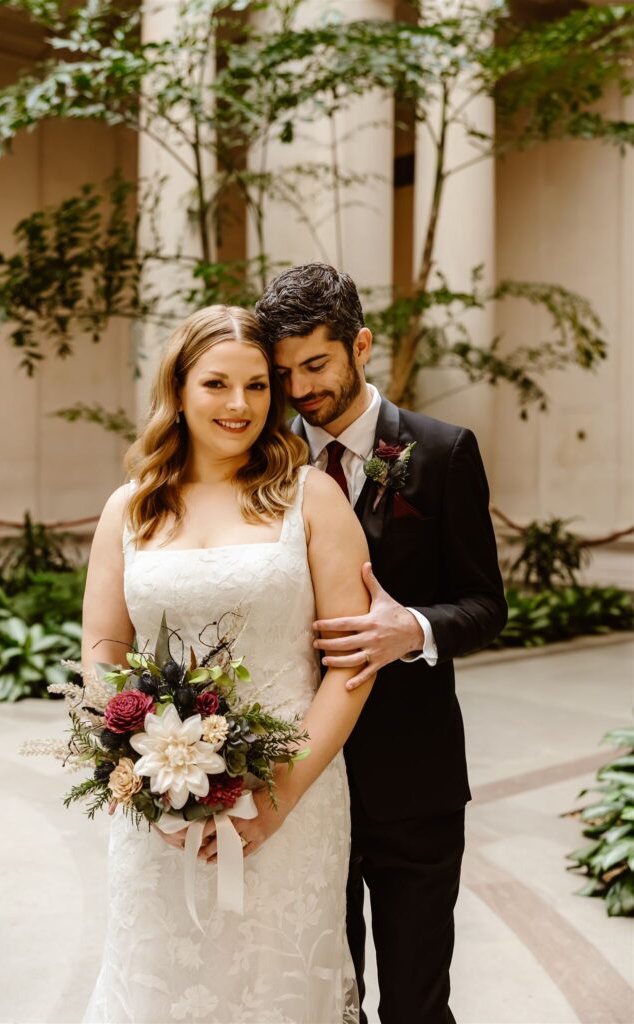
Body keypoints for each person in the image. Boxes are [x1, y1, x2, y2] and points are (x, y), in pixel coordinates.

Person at [81, 304, 373, 1024]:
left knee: (272, 986)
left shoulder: (313, 498)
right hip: (157, 808)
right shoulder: (130, 509)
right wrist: (140, 777)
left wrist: (276, 798)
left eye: (256, 386)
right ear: (178, 389)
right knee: (159, 979)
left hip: (290, 798)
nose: (239, 405)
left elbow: (352, 666)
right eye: (216, 384)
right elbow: (102, 655)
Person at [255, 263, 508, 1024]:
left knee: (413, 1001)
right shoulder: (263, 465)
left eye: (316, 364)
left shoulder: (440, 451)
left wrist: (416, 629)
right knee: (324, 998)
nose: (299, 390)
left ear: (360, 345)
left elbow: (486, 605)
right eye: (284, 373)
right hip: (303, 779)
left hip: (415, 783)